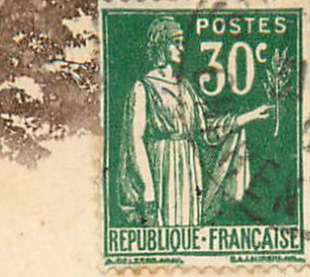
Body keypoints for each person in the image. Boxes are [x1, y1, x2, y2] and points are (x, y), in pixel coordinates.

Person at [116, 15, 272, 227]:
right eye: (176, 42)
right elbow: (135, 141)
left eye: (182, 42)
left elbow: (206, 126)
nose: (182, 48)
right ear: (161, 45)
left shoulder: (186, 87)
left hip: (189, 167)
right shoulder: (143, 87)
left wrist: (249, 116)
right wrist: (148, 191)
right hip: (162, 166)